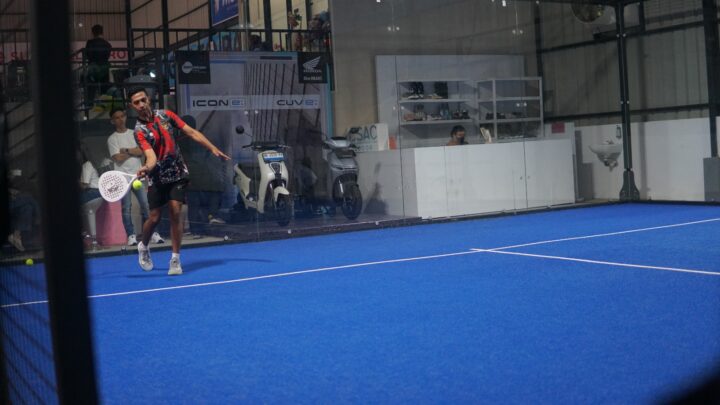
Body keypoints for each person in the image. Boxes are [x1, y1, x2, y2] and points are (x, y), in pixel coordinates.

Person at [128, 86, 230, 275]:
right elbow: (151, 156)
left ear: (148, 99)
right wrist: (147, 168)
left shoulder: (166, 115)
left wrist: (212, 148)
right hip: (157, 177)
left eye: (143, 100)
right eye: (136, 102)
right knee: (154, 217)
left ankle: (175, 259)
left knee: (176, 211)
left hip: (178, 173)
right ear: (132, 106)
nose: (141, 105)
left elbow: (191, 132)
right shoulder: (139, 131)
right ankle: (143, 245)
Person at [106, 107, 164, 246]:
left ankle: (153, 234)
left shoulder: (134, 133)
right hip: (122, 179)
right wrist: (133, 151)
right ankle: (131, 236)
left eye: (122, 116)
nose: (121, 119)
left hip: (138, 175)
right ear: (112, 121)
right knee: (126, 207)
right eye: (117, 118)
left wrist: (126, 150)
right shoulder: (112, 139)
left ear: (126, 117)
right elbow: (117, 158)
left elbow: (141, 151)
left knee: (146, 204)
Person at [78, 145, 104, 250]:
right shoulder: (93, 164)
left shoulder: (87, 165)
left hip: (92, 193)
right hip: (97, 194)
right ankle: (91, 239)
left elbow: (84, 185)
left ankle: (87, 237)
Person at [84, 24, 112, 108]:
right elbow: (108, 55)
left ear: (93, 33)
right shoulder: (107, 44)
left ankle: (89, 107)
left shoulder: (90, 43)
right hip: (104, 68)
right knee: (104, 88)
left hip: (93, 67)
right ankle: (105, 107)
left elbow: (87, 55)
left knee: (91, 88)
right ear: (102, 32)